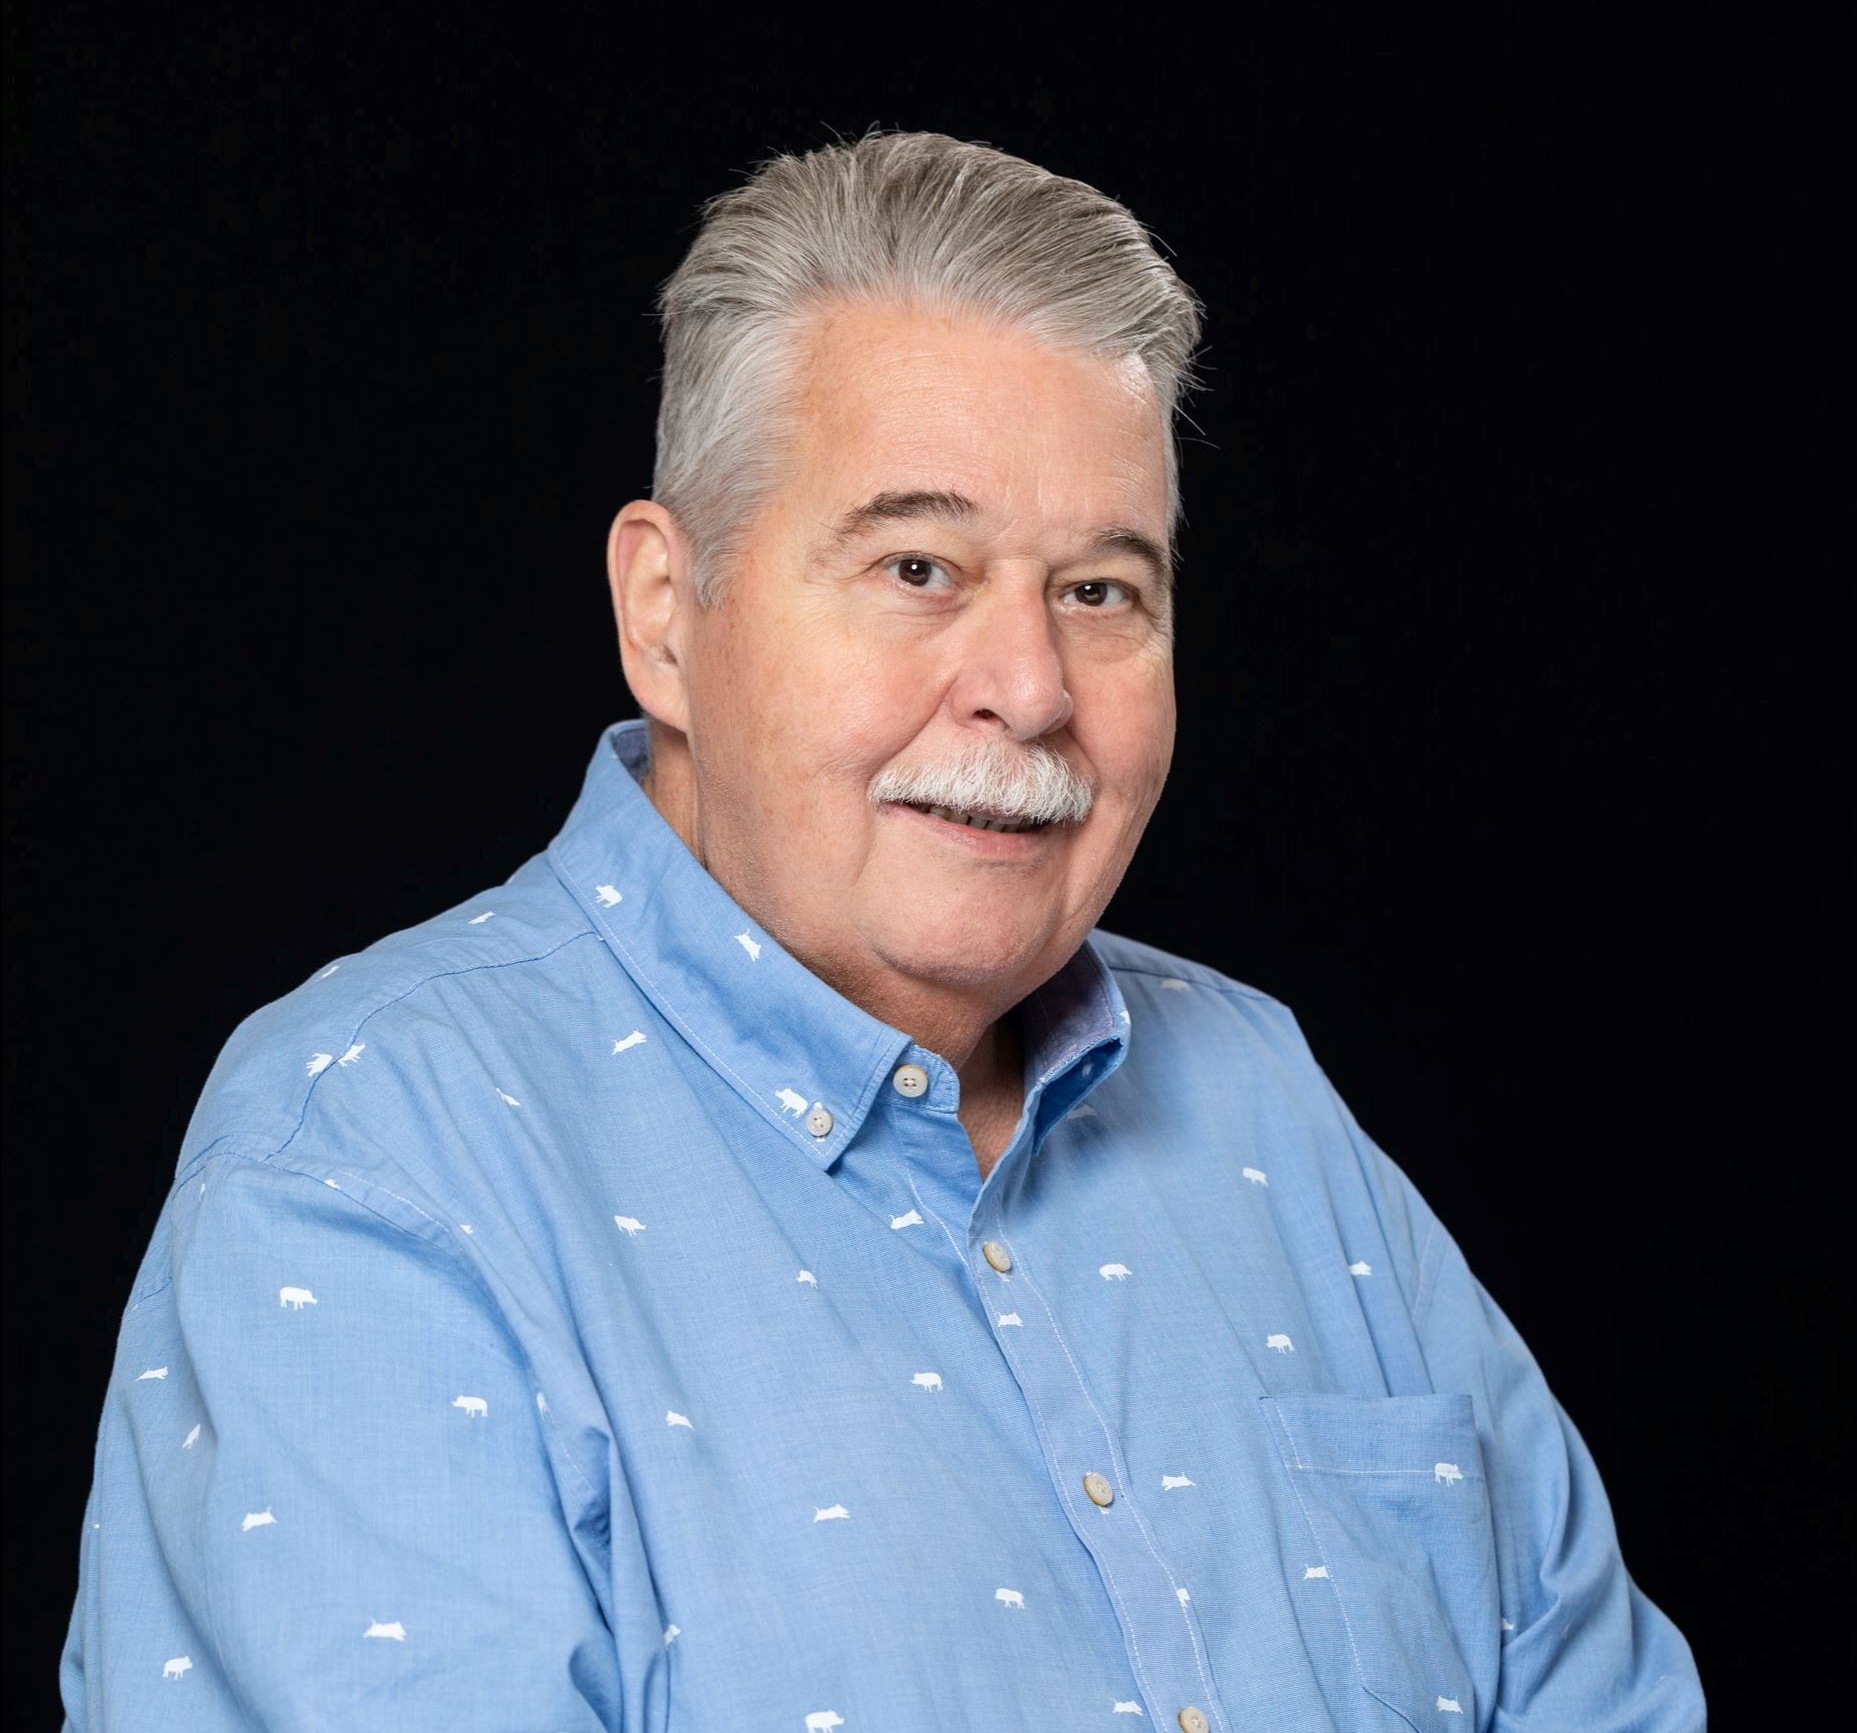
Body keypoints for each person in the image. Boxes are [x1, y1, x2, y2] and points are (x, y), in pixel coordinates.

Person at [58, 129, 1704, 1731]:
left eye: (1102, 589)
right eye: (919, 564)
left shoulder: (1267, 1103)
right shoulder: (369, 1157)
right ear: (663, 617)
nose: (1033, 686)